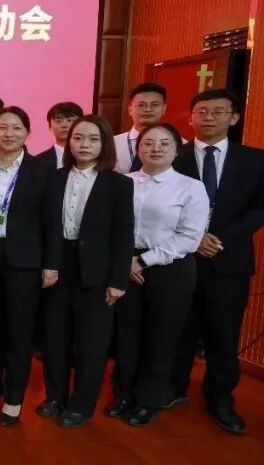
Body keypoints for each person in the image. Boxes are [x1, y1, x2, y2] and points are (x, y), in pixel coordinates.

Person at [170, 89, 264, 435]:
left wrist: (217, 238)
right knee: (177, 329)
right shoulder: (171, 155)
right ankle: (173, 388)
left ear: (233, 117)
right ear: (191, 117)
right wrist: (194, 238)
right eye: (202, 111)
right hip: (180, 259)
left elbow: (259, 209)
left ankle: (220, 398)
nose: (208, 117)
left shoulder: (254, 160)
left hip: (229, 260)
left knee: (223, 334)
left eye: (218, 111)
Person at [106, 123, 208, 427]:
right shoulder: (122, 183)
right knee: (126, 336)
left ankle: (147, 400)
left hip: (170, 270)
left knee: (160, 338)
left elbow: (189, 237)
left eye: (165, 143)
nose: (156, 148)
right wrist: (126, 262)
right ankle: (122, 394)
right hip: (126, 266)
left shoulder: (191, 187)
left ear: (177, 151)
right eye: (148, 143)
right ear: (138, 149)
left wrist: (143, 261)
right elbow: (108, 227)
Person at [37, 115, 133, 427]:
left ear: (104, 143)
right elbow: (46, 227)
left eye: (93, 139)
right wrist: (49, 263)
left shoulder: (119, 184)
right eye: (78, 138)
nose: (84, 144)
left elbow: (124, 235)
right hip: (58, 266)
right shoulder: (53, 177)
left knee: (92, 342)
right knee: (55, 337)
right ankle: (55, 395)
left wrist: (118, 280)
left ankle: (81, 404)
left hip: (97, 271)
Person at [0, 106, 58, 426]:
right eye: (3, 127)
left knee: (20, 331)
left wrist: (51, 264)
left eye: (17, 128)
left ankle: (14, 395)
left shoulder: (43, 170)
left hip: (25, 260)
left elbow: (52, 222)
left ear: (27, 133)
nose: (9, 134)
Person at [114, 82, 169, 174]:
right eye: (141, 105)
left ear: (164, 109)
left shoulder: (179, 144)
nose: (148, 109)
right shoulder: (112, 144)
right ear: (130, 110)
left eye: (154, 105)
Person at [36, 102, 84, 169]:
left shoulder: (90, 156)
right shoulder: (38, 161)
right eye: (58, 121)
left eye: (70, 120)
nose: (64, 125)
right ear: (50, 126)